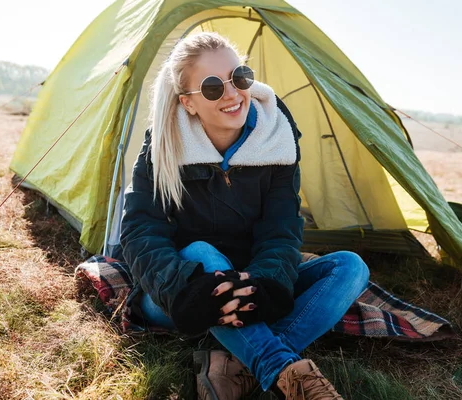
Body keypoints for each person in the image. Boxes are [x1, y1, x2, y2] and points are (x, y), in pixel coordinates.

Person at [121, 32, 370, 400]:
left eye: (239, 77)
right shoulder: (162, 144)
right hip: (181, 290)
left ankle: (236, 363)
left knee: (351, 267)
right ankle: (280, 368)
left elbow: (281, 229)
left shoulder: (277, 140)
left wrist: (267, 283)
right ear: (188, 103)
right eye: (211, 87)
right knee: (202, 252)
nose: (233, 94)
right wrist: (183, 288)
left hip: (251, 280)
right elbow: (140, 231)